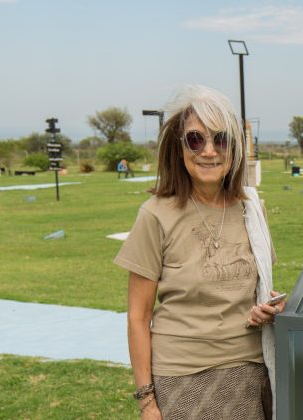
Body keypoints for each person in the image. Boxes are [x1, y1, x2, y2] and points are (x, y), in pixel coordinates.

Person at [115, 85, 283, 419]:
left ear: (233, 149)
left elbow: (257, 289)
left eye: (220, 139)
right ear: (179, 149)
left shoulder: (252, 208)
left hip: (249, 371)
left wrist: (270, 307)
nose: (209, 151)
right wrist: (147, 402)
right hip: (182, 377)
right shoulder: (155, 215)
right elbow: (138, 316)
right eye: (195, 139)